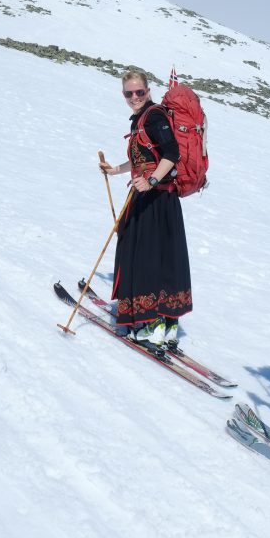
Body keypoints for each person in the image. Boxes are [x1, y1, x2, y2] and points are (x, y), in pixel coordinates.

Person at [99, 70, 192, 347]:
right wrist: (116, 170)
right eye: (129, 93)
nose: (134, 97)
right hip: (155, 198)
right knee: (160, 256)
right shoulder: (143, 119)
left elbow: (171, 154)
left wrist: (151, 181)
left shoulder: (154, 116)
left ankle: (152, 322)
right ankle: (166, 322)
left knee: (145, 256)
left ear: (148, 91)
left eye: (139, 92)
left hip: (155, 198)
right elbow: (146, 157)